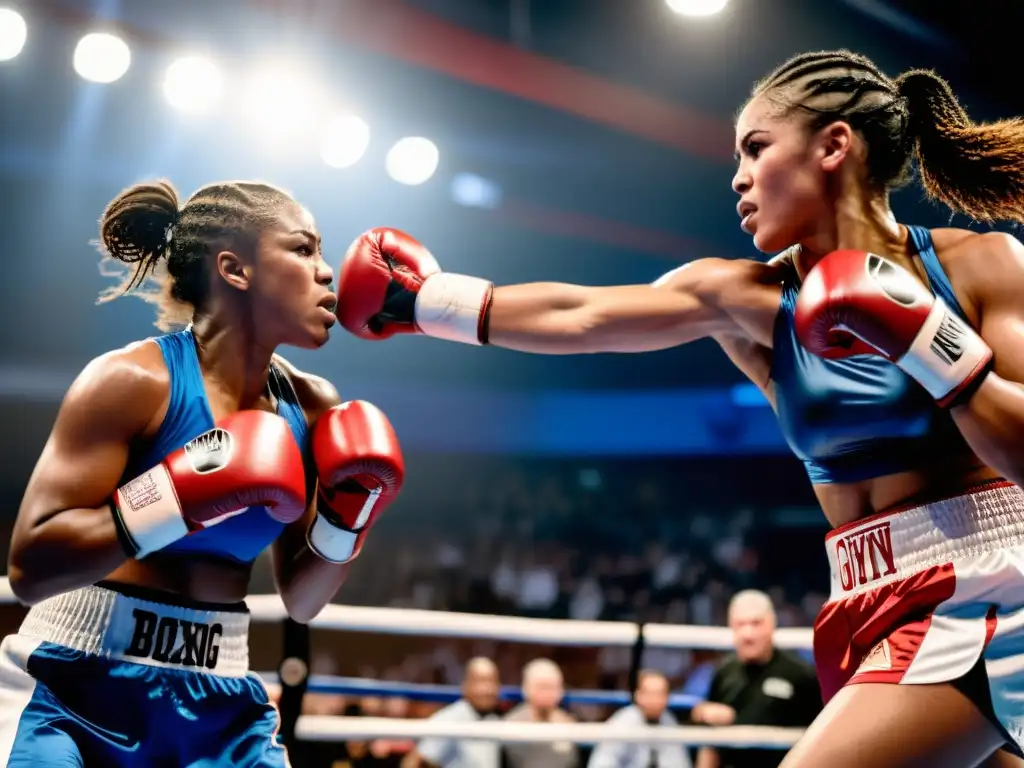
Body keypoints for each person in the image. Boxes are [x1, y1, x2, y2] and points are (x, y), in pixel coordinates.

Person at [335, 49, 1024, 767]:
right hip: (866, 595)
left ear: (834, 145)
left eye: (756, 148)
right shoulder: (748, 298)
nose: (737, 177)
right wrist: (423, 300)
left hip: (985, 588)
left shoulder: (977, 266)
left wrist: (935, 348)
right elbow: (585, 314)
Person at [0, 180, 405, 766]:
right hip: (75, 683)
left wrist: (348, 517)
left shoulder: (313, 407)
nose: (326, 273)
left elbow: (303, 600)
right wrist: (177, 493)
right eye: (302, 249)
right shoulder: (134, 382)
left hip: (220, 701)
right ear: (234, 269)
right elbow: (29, 569)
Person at [691, 591, 821, 768]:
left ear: (771, 625)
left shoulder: (800, 674)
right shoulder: (723, 672)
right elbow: (709, 742)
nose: (748, 634)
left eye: (756, 623)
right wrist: (703, 713)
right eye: (740, 624)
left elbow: (820, 739)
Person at [401, 657, 502, 768]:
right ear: (466, 685)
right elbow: (413, 762)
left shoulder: (494, 719)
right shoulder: (450, 719)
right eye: (481, 681)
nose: (488, 689)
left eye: (493, 681)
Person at [587, 669, 692, 768]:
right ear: (638, 695)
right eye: (651, 693)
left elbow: (680, 764)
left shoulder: (670, 722)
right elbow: (601, 764)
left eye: (661, 693)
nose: (655, 699)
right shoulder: (622, 723)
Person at [503, 658, 579, 768]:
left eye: (551, 687)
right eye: (541, 687)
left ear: (561, 691)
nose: (546, 693)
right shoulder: (509, 725)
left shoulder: (571, 726)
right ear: (526, 689)